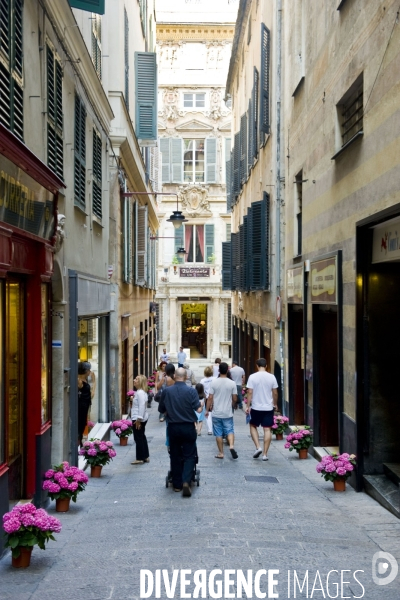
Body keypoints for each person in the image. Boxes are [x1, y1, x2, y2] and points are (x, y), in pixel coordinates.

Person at [160, 368, 202, 497]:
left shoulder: (167, 391)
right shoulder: (191, 391)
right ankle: (186, 481)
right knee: (189, 454)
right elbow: (199, 410)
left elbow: (161, 409)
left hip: (173, 427)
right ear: (185, 377)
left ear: (174, 376)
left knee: (175, 455)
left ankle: (177, 485)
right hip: (188, 427)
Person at [246, 358, 279, 461]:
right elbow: (275, 392)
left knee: (252, 425)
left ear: (257, 366)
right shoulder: (272, 377)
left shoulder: (252, 377)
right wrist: (275, 403)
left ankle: (258, 447)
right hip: (268, 407)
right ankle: (265, 454)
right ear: (266, 366)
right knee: (267, 428)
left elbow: (250, 392)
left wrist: (247, 405)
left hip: (256, 406)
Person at [206, 362, 238, 460]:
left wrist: (207, 409)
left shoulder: (214, 382)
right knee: (230, 430)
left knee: (218, 433)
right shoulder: (232, 383)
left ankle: (221, 453)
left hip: (217, 412)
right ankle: (231, 446)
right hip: (227, 412)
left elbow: (210, 397)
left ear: (219, 370)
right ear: (227, 370)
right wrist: (233, 404)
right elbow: (235, 398)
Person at [130, 375, 150, 465]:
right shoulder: (140, 392)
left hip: (138, 418)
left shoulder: (140, 393)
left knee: (138, 438)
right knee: (142, 436)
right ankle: (145, 456)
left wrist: (138, 419)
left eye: (136, 379)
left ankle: (140, 458)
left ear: (140, 382)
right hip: (140, 417)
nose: (134, 380)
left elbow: (142, 406)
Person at [77, 361, 94, 446]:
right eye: (89, 370)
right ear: (86, 371)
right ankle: (78, 442)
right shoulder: (79, 381)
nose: (90, 372)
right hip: (81, 407)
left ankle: (79, 441)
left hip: (84, 406)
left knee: (83, 424)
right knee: (80, 424)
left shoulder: (84, 380)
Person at [200, 366, 214, 435]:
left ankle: (210, 430)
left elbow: (202, 391)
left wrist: (205, 397)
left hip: (207, 398)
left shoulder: (202, 381)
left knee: (208, 413)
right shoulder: (215, 379)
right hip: (214, 398)